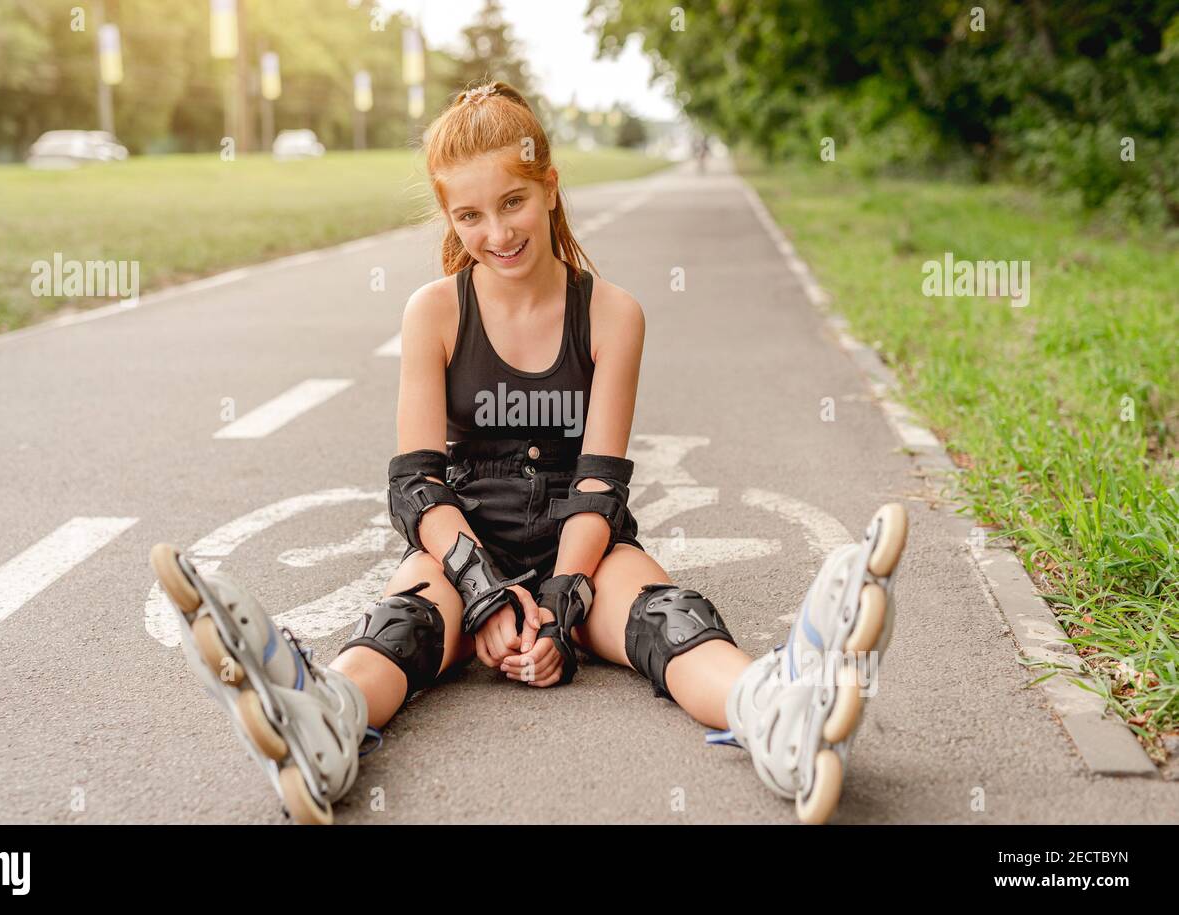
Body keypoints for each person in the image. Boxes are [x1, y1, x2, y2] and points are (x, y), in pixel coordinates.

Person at [150, 81, 907, 826]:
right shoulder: (435, 311)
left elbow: (601, 485)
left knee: (669, 618)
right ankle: (322, 721)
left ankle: (778, 710)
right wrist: (482, 590)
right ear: (449, 215)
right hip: (468, 533)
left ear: (549, 186)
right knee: (403, 625)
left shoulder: (612, 313)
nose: (497, 233)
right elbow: (416, 486)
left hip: (583, 538)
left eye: (512, 203)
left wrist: (562, 596)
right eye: (470, 215)